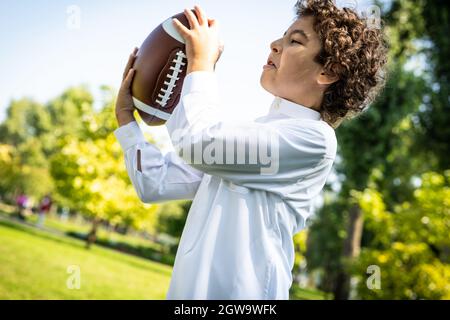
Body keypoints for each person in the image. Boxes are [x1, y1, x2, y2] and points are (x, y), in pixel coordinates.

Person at [114, 1, 387, 299]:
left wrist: (200, 65)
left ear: (329, 72)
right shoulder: (253, 135)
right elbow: (155, 182)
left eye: (294, 41)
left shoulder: (314, 141)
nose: (274, 45)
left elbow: (198, 143)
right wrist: (127, 120)